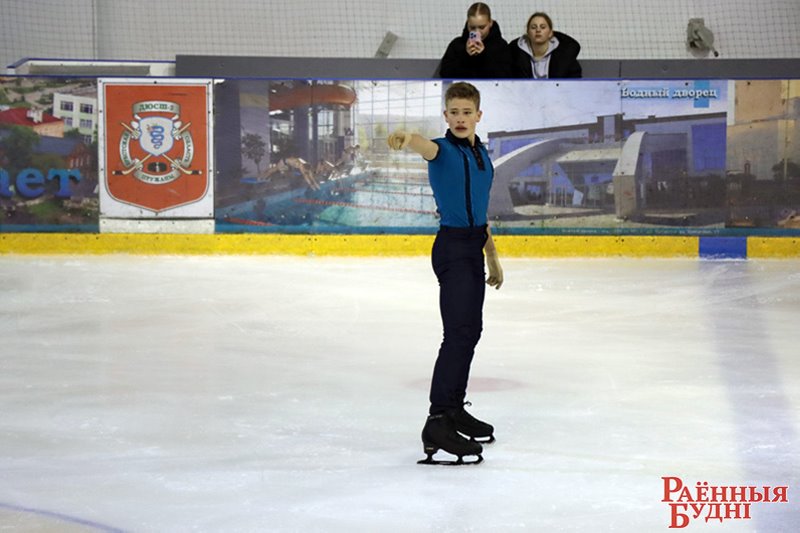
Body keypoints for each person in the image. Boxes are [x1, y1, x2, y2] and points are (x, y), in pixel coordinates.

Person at [387, 82, 504, 465]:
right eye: (453, 112)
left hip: (473, 248)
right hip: (452, 249)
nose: (459, 118)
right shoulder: (443, 150)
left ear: (478, 116)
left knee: (471, 331)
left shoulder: (482, 155)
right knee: (456, 334)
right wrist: (406, 137)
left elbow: (482, 213)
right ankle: (438, 419)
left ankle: (453, 409)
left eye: (466, 112)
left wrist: (493, 257)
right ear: (446, 116)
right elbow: (423, 144)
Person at [439, 3, 511, 79]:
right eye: (472, 27)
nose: (477, 32)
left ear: (490, 23)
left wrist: (484, 56)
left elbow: (506, 77)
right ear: (468, 23)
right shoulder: (457, 45)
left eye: (482, 27)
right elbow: (445, 74)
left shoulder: (500, 46)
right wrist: (465, 56)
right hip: (463, 90)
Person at [509, 12, 582, 79]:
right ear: (528, 33)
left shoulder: (565, 55)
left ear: (550, 33)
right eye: (533, 27)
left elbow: (575, 82)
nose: (538, 30)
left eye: (543, 27)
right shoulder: (516, 55)